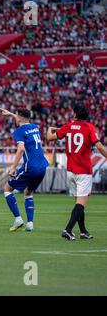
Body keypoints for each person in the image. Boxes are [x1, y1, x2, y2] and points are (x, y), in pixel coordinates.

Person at [47, 103, 107, 240]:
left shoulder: (68, 126)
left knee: (79, 203)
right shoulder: (89, 128)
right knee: (81, 203)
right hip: (84, 171)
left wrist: (49, 129)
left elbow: (50, 138)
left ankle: (83, 231)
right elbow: (99, 146)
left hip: (71, 171)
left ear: (75, 114)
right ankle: (67, 230)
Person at [0, 108, 49, 232]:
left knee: (7, 189)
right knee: (28, 193)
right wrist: (11, 114)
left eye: (16, 116)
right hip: (42, 166)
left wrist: (13, 168)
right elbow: (22, 118)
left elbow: (21, 149)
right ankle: (30, 224)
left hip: (30, 167)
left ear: (19, 118)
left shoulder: (19, 131)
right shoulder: (35, 127)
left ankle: (18, 220)